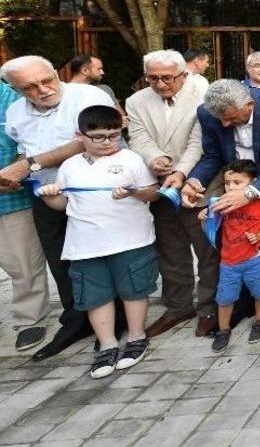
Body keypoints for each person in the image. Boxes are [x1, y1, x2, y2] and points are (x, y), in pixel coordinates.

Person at [0, 55, 114, 360]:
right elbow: (24, 149)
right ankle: (76, 320)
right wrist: (16, 173)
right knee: (60, 259)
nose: (43, 90)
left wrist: (28, 164)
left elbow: (86, 142)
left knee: (103, 256)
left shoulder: (87, 96)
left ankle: (115, 321)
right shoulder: (15, 111)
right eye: (30, 87)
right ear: (15, 89)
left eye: (46, 80)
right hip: (44, 193)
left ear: (55, 72)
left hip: (91, 192)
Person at [37, 105, 159, 379]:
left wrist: (133, 192)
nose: (108, 142)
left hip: (131, 240)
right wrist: (49, 196)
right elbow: (63, 204)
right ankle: (107, 344)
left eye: (114, 135)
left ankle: (136, 337)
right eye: (99, 137)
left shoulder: (131, 159)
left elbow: (152, 193)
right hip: (85, 245)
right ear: (80, 135)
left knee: (134, 289)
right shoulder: (70, 165)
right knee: (95, 295)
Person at [181, 79, 260, 332]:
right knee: (237, 244)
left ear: (249, 105)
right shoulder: (208, 114)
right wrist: (194, 181)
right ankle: (245, 303)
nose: (224, 125)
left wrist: (250, 193)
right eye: (221, 120)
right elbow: (213, 155)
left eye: (230, 118)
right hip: (236, 187)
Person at [126, 49, 219, 338]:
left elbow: (199, 141)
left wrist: (180, 172)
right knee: (170, 251)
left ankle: (210, 307)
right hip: (160, 186)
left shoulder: (202, 94)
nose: (160, 84)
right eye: (152, 78)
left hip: (199, 183)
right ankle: (179, 306)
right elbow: (138, 137)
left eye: (167, 78)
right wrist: (154, 158)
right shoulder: (136, 101)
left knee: (207, 250)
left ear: (184, 74)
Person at [200, 160, 260, 352]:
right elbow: (210, 213)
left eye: (237, 182)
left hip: (254, 259)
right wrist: (203, 214)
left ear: (253, 183)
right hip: (228, 262)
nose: (231, 187)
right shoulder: (222, 202)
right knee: (224, 298)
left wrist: (259, 235)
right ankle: (223, 330)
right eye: (227, 183)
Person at [0, 80, 49, 352]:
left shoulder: (14, 101)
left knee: (21, 262)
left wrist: (16, 172)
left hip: (10, 196)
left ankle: (30, 318)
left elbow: (32, 145)